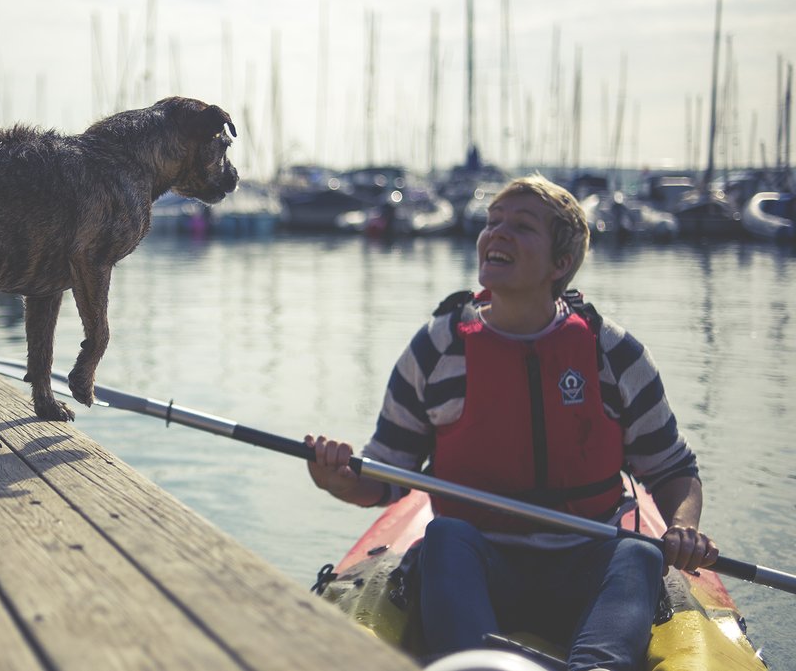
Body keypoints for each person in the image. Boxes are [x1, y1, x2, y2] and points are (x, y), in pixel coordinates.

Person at [305, 175, 717, 671]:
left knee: (639, 554)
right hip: (478, 568)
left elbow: (673, 469)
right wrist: (337, 479)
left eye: (521, 226)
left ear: (560, 263)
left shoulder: (612, 353)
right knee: (445, 537)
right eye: (492, 222)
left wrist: (683, 526)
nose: (496, 233)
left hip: (585, 569)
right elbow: (385, 476)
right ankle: (475, 663)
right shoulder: (438, 348)